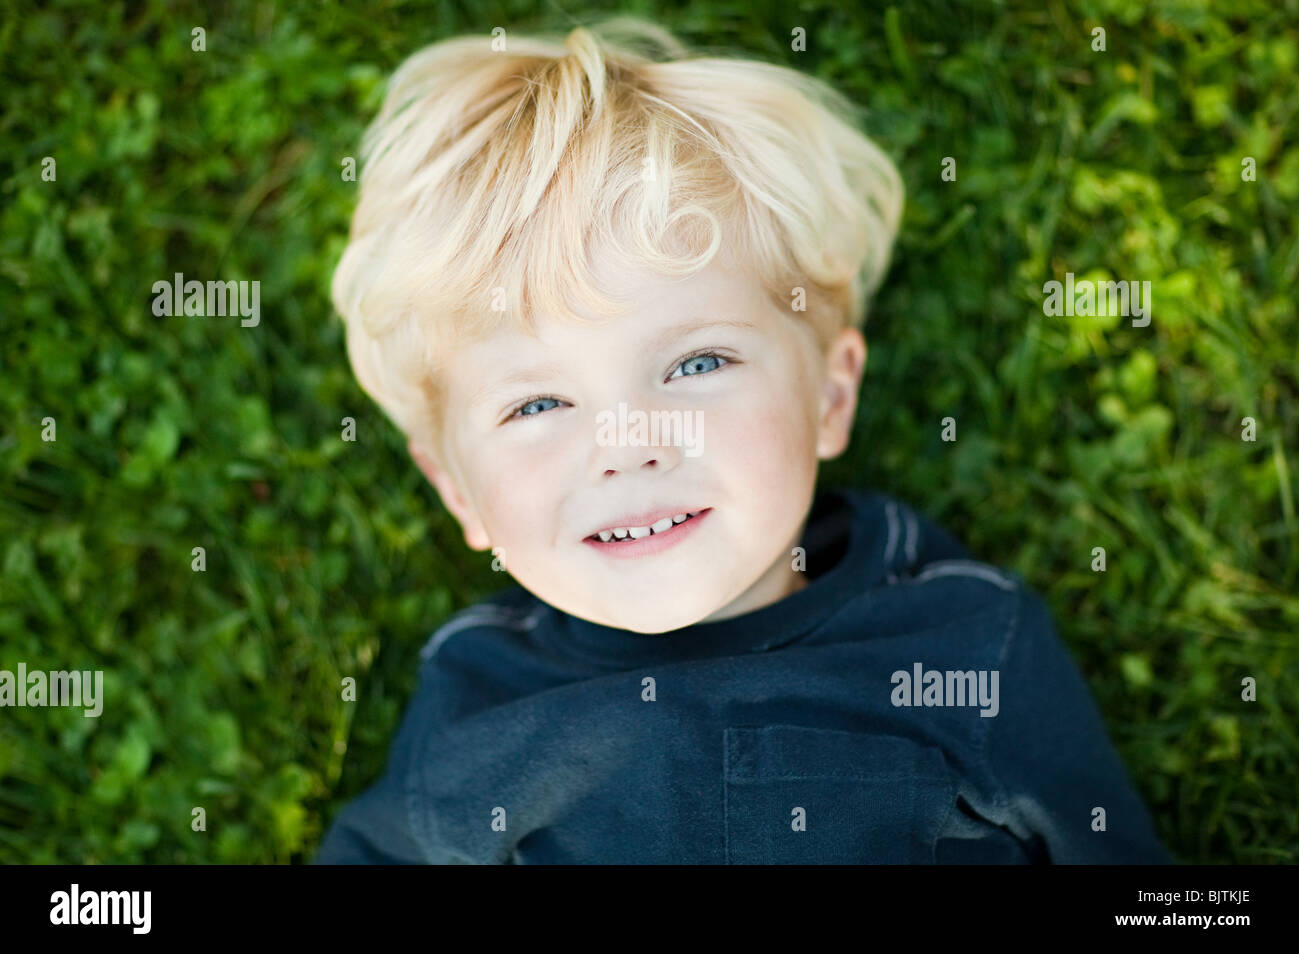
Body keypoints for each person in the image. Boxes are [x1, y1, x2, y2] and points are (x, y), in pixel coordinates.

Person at [314, 17, 1170, 864]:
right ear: (459, 492)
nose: (627, 443)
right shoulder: (476, 696)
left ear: (830, 395)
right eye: (536, 406)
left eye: (696, 363)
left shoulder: (960, 643)